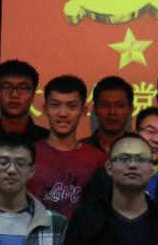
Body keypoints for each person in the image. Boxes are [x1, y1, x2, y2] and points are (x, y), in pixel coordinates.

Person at [27, 74, 106, 218]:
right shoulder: (28, 154)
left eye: (72, 106)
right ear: (45, 109)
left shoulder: (98, 159)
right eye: (55, 105)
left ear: (84, 111)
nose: (63, 113)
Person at [0, 58, 48, 142]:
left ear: (33, 96)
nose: (14, 94)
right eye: (6, 87)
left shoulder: (46, 141)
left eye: (23, 88)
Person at [81, 76, 133, 154]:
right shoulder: (80, 149)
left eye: (119, 106)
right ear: (95, 109)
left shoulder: (140, 149)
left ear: (131, 109)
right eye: (105, 105)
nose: (112, 112)